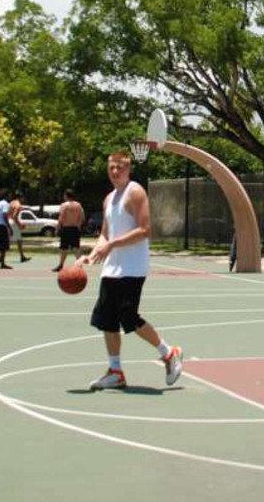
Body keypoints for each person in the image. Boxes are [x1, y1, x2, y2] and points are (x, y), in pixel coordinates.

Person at [77, 151, 183, 390]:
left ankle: (169, 353)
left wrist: (112, 245)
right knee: (106, 320)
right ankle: (115, 372)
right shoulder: (108, 199)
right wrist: (92, 255)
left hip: (133, 267)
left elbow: (145, 230)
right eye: (112, 167)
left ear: (129, 169)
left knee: (129, 317)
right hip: (111, 268)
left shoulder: (135, 192)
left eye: (120, 167)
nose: (115, 171)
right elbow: (105, 233)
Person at [53, 188, 85, 272]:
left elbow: (61, 217)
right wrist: (78, 225)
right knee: (76, 248)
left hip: (66, 228)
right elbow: (82, 217)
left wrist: (58, 227)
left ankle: (61, 265)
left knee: (63, 248)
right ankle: (80, 265)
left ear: (66, 196)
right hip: (75, 228)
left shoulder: (64, 205)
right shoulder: (78, 205)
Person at [7, 190, 32, 263]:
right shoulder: (18, 205)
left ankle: (1, 256)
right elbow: (14, 216)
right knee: (19, 240)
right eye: (23, 198)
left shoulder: (11, 203)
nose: (23, 199)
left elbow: (8, 214)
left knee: (8, 240)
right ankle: (22, 257)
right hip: (13, 222)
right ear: (20, 198)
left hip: (8, 221)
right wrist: (20, 224)